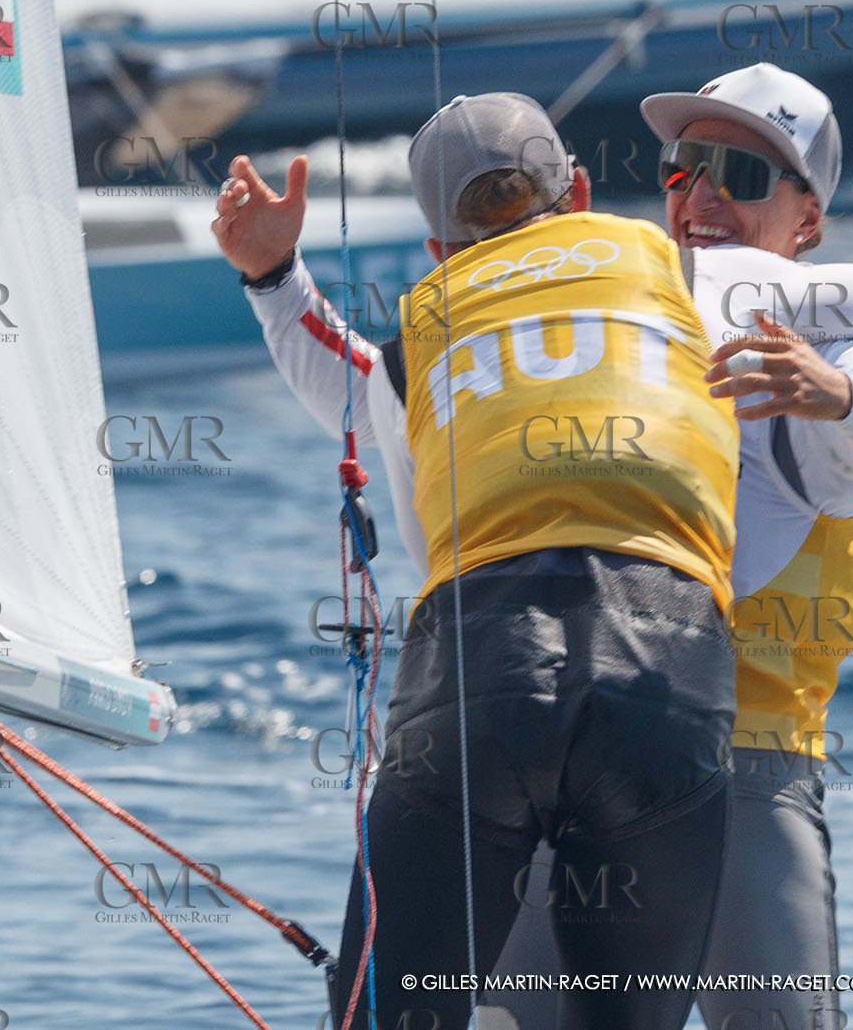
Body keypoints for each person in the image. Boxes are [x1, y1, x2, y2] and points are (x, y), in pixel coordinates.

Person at [211, 93, 742, 1030]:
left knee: (387, 1016)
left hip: (478, 670)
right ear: (578, 191)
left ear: (436, 254)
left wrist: (273, 278)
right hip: (667, 669)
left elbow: (358, 392)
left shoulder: (417, 339)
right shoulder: (681, 272)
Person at [486, 63, 853, 1029]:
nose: (705, 197)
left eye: (744, 177)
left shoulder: (836, 348)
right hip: (586, 754)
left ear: (808, 222)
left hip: (748, 771)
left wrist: (841, 402)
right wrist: (274, 283)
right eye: (685, 169)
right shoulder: (625, 325)